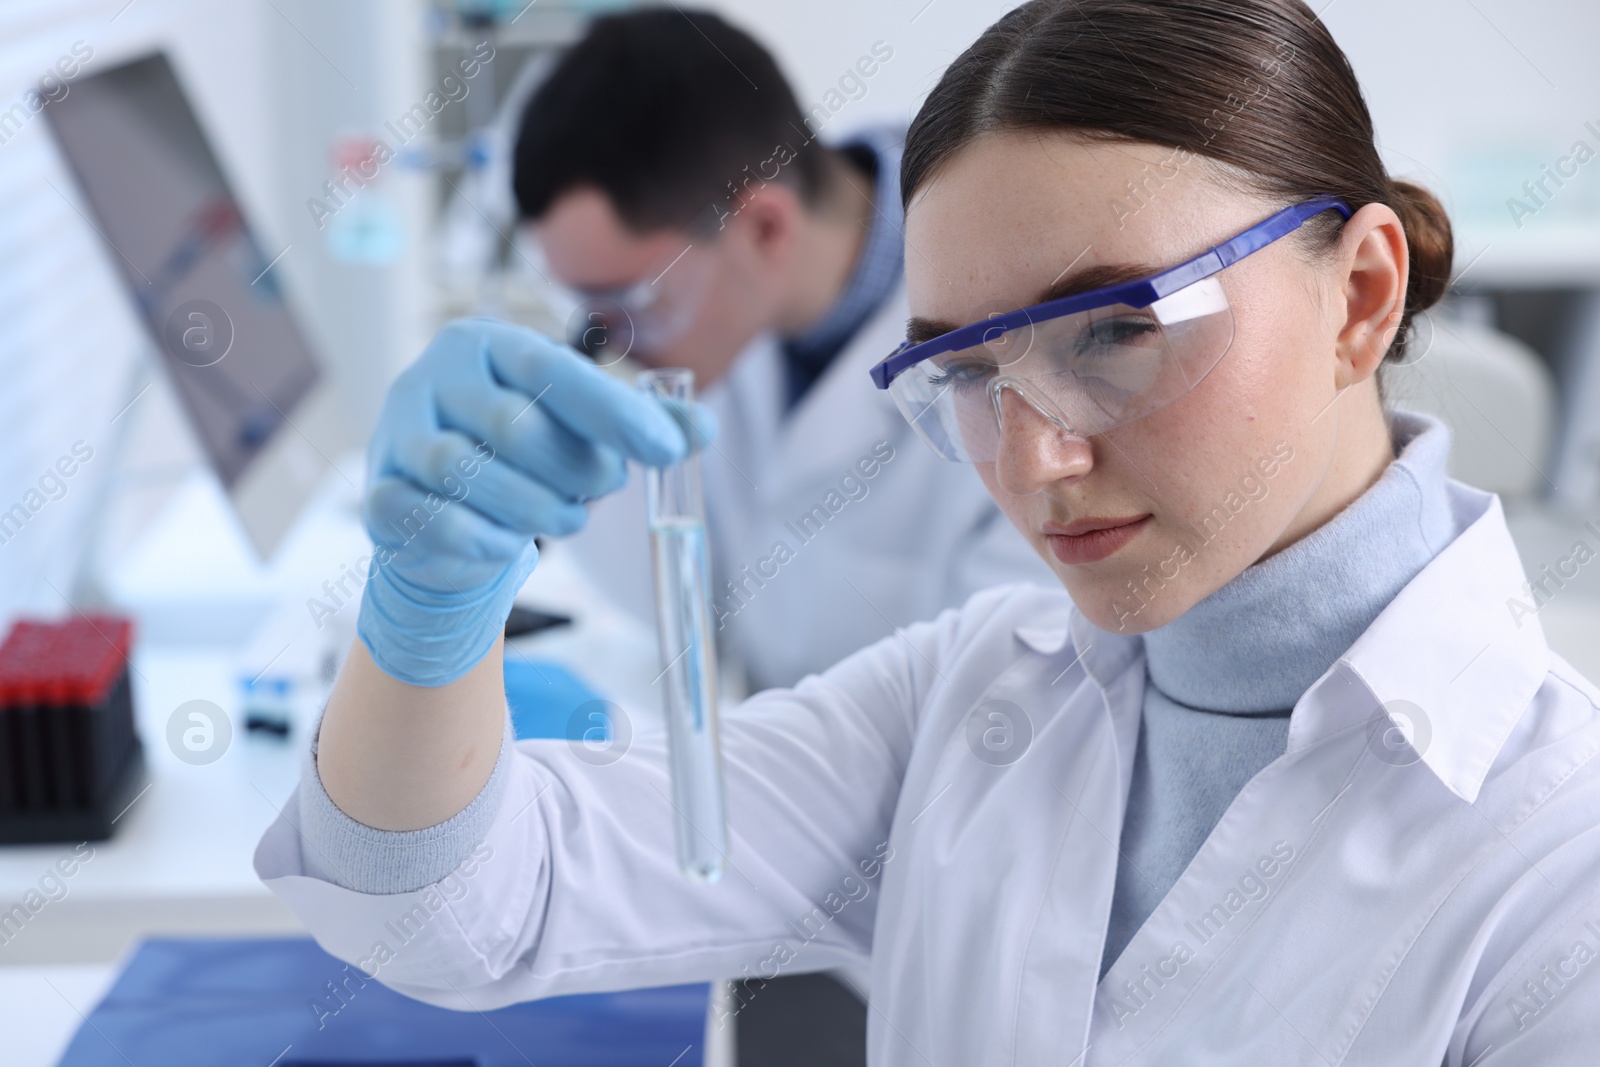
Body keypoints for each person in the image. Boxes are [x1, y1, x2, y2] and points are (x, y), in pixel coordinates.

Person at [258, 1, 1600, 1063]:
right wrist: (426, 614)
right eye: (964, 369)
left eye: (1119, 328)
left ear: (1362, 294)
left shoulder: (1559, 868)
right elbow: (447, 908)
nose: (1029, 460)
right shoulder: (972, 693)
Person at [511, 9, 1052, 700]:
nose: (613, 343)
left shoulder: (1014, 345)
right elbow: (690, 598)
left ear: (766, 228)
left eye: (634, 304)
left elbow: (1008, 711)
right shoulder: (737, 320)